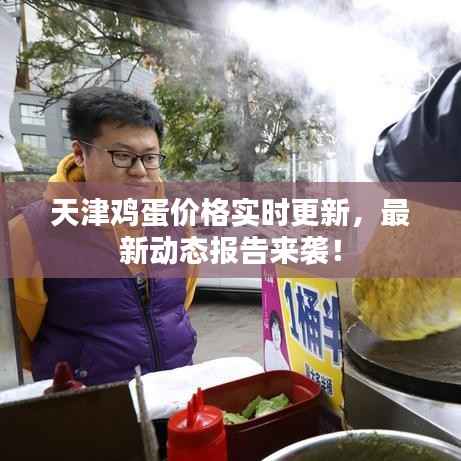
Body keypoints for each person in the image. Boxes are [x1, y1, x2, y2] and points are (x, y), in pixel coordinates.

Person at [10, 87, 198, 386]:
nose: (139, 171)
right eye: (122, 156)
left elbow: (179, 305)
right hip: (89, 406)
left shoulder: (176, 221)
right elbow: (16, 340)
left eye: (150, 157)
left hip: (177, 394)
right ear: (79, 154)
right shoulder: (30, 232)